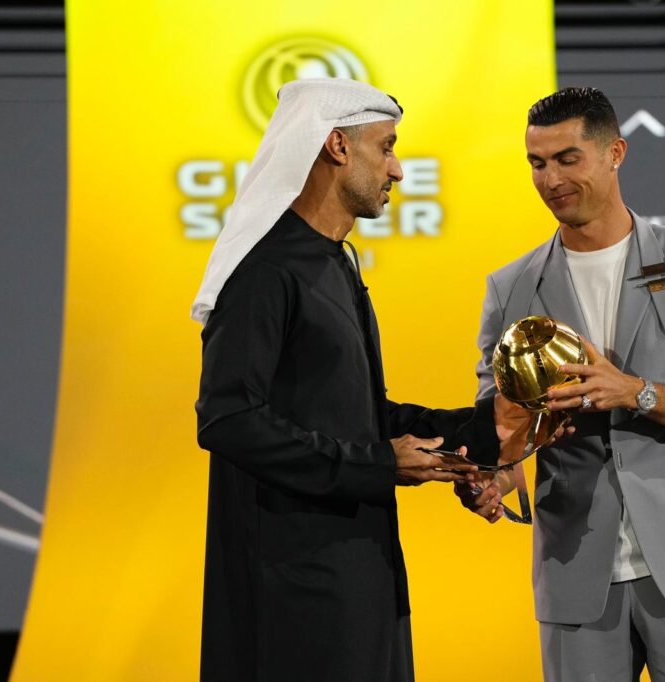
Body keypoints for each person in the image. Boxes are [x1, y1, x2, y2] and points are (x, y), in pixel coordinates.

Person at [192, 78, 522, 682]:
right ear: (337, 147)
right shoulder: (264, 271)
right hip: (292, 595)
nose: (397, 169)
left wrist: (485, 428)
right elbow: (228, 419)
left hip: (362, 575)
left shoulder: (335, 263)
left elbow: (364, 415)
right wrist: (377, 464)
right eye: (386, 147)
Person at [459, 87, 665, 681]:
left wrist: (634, 392)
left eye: (567, 159)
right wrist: (495, 471)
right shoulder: (509, 287)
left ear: (614, 153)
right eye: (537, 163)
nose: (550, 180)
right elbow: (501, 423)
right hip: (575, 572)